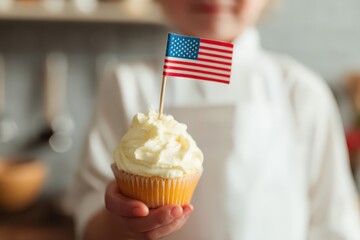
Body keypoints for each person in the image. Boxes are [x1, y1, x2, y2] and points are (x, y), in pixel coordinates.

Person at [64, 0, 360, 239]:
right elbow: (89, 215)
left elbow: (335, 223)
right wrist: (121, 225)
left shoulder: (303, 92)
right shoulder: (125, 85)